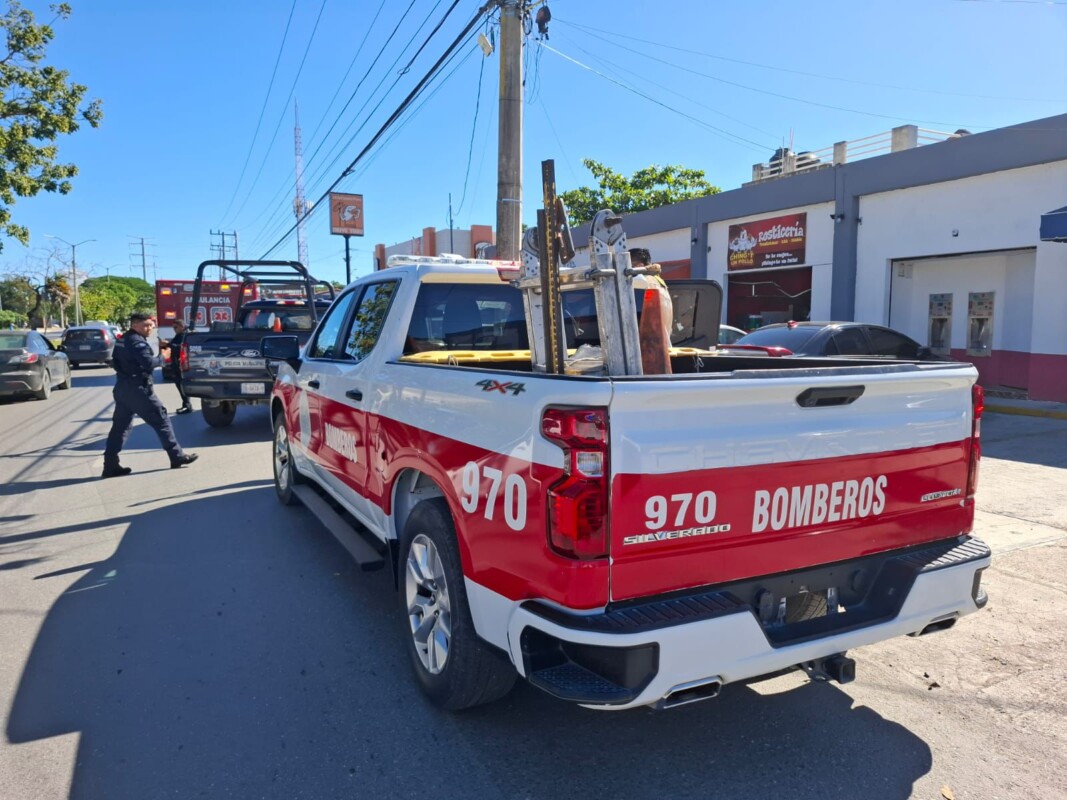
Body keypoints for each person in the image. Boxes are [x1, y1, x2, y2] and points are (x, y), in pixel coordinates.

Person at [102, 313, 198, 478]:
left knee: (120, 428)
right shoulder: (137, 342)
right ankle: (177, 456)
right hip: (138, 389)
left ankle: (110, 465)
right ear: (135, 325)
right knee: (162, 420)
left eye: (151, 325)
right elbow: (148, 363)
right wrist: (163, 357)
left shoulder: (122, 339)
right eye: (146, 325)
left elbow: (114, 362)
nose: (150, 328)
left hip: (123, 388)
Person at [167, 319, 193, 414]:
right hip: (177, 364)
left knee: (181, 384)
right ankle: (185, 404)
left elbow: (181, 347)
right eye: (173, 327)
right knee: (179, 384)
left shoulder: (185, 335)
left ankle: (187, 406)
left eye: (175, 327)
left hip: (181, 365)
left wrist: (168, 344)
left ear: (181, 326)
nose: (174, 329)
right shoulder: (180, 335)